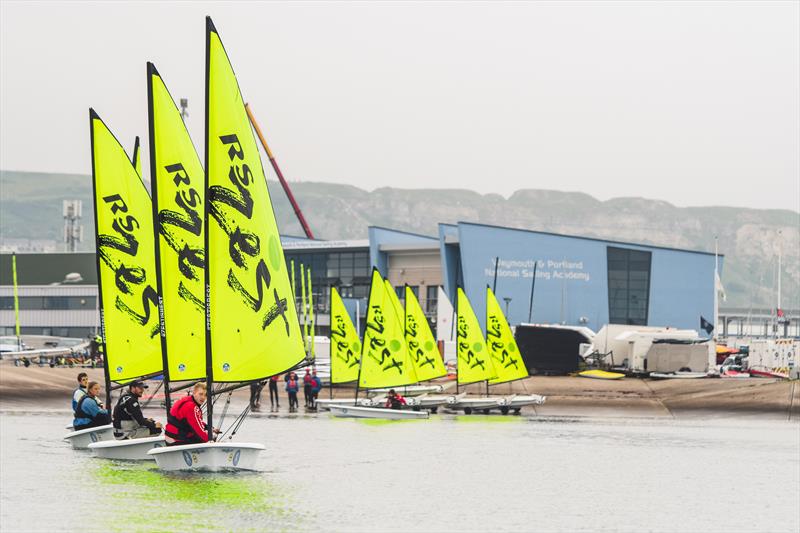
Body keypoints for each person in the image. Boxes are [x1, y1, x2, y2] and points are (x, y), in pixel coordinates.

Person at [164, 382, 219, 446]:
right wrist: (211, 441)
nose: (203, 397)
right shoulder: (191, 407)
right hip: (177, 440)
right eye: (200, 394)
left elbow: (194, 421)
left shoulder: (187, 400)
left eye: (205, 395)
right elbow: (199, 432)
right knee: (209, 438)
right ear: (194, 393)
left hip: (170, 437)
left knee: (207, 435)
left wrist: (209, 428)